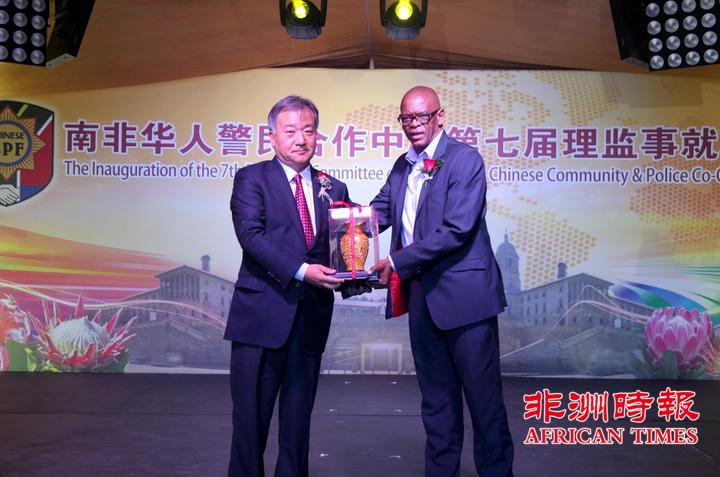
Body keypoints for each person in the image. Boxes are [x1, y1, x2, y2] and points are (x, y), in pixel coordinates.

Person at [369, 86, 514, 477]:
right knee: (436, 404)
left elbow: (456, 230)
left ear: (440, 116)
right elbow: (377, 213)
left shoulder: (465, 160)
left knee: (484, 403)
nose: (413, 124)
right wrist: (337, 224)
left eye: (421, 116)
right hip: (423, 299)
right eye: (406, 118)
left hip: (467, 300)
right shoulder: (402, 166)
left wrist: (396, 261)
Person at [224, 95, 350, 477]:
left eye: (308, 130)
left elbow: (349, 240)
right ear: (273, 137)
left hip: (310, 321)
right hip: (261, 319)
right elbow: (251, 235)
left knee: (297, 428)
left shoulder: (333, 187)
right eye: (291, 130)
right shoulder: (252, 178)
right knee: (250, 426)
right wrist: (302, 270)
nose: (301, 139)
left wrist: (364, 273)